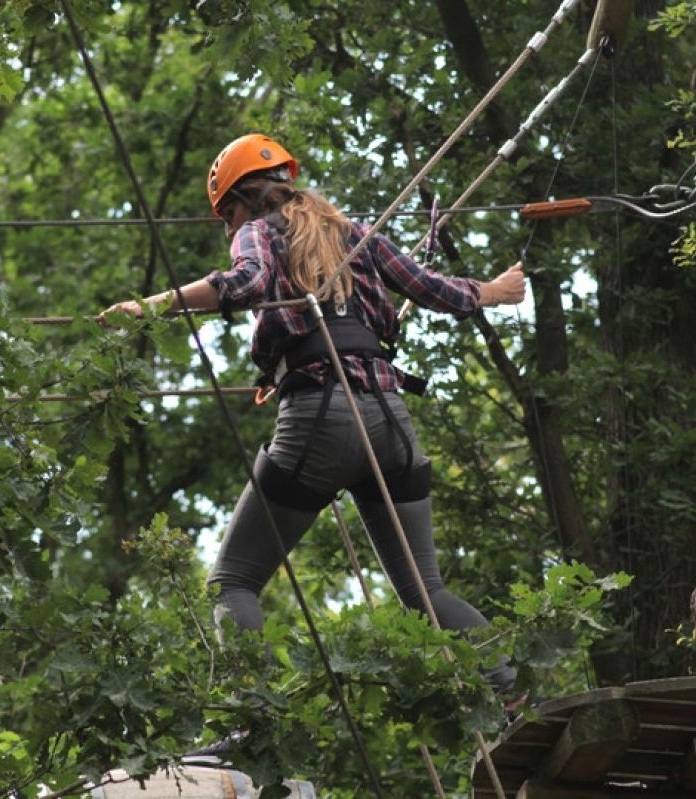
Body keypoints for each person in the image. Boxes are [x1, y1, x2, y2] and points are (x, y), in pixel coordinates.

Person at [104, 133, 526, 695]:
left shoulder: (259, 231)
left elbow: (248, 281)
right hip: (392, 423)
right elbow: (434, 290)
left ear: (248, 198)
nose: (228, 230)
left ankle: (254, 716)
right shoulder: (354, 234)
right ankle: (515, 698)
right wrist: (493, 290)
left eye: (226, 215)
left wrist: (150, 306)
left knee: (231, 583)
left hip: (321, 419)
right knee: (427, 592)